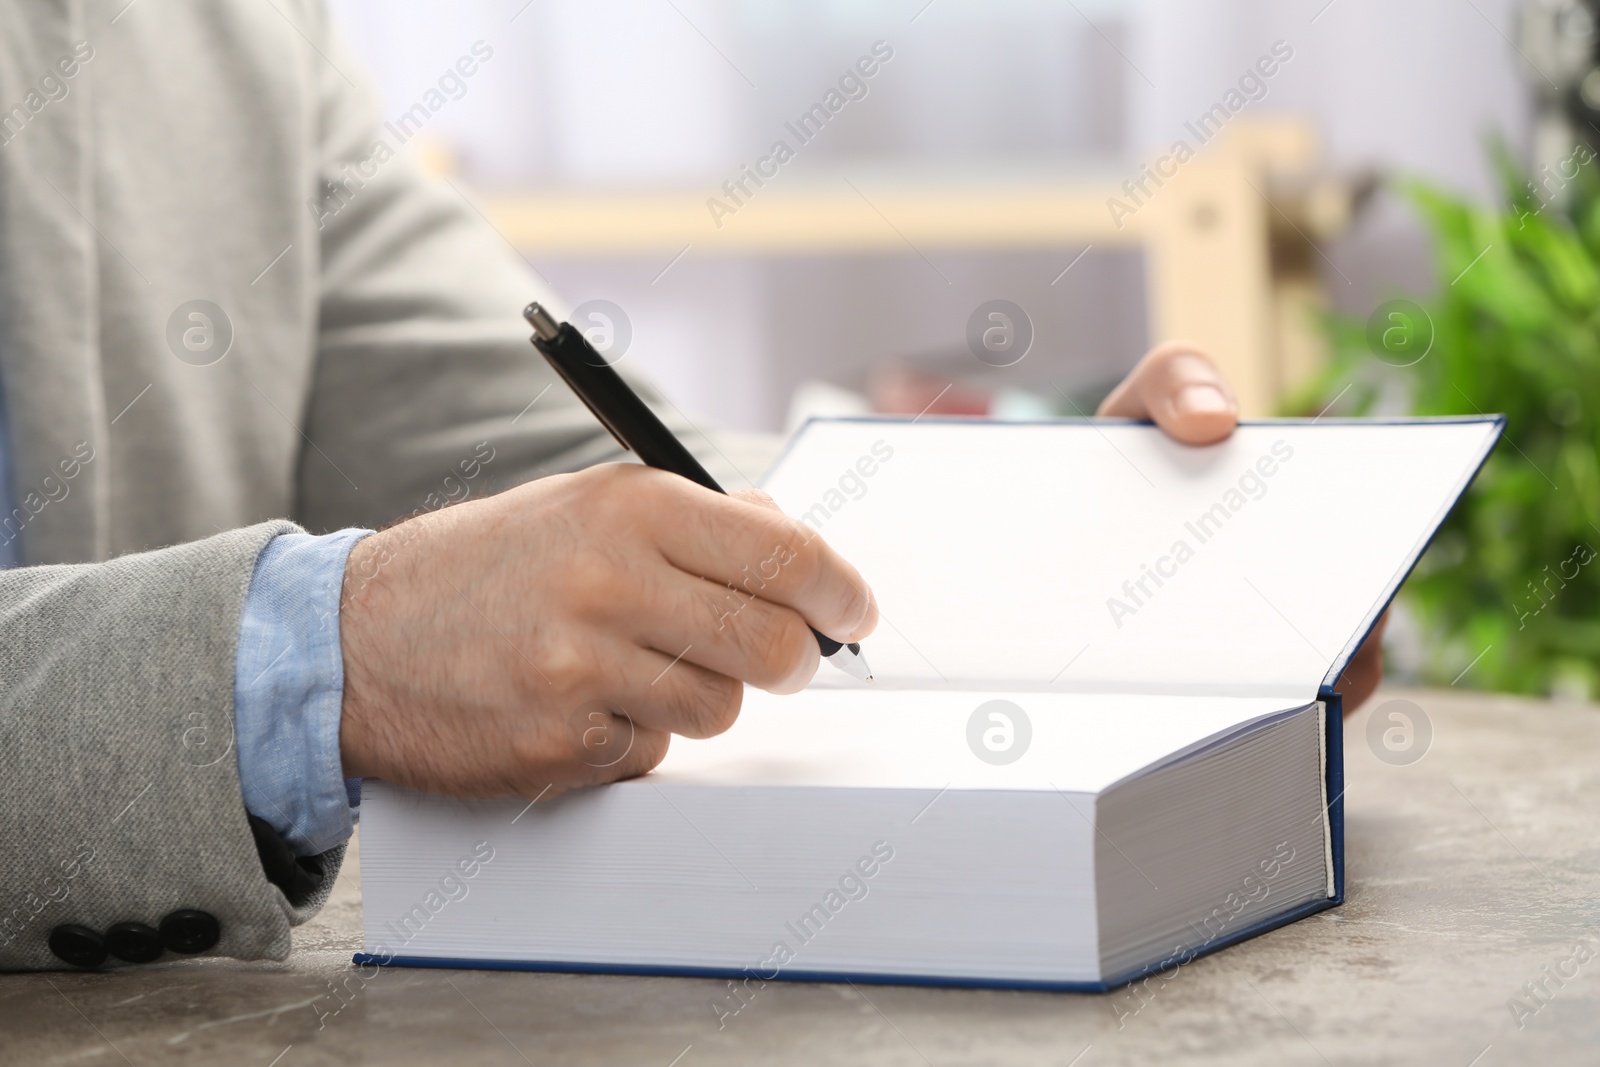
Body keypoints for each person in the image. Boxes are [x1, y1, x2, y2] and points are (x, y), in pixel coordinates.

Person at [0, 2, 1382, 972]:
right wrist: (318, 654)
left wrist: (1065, 529)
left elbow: (534, 443)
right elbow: (402, 601)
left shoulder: (220, 26)